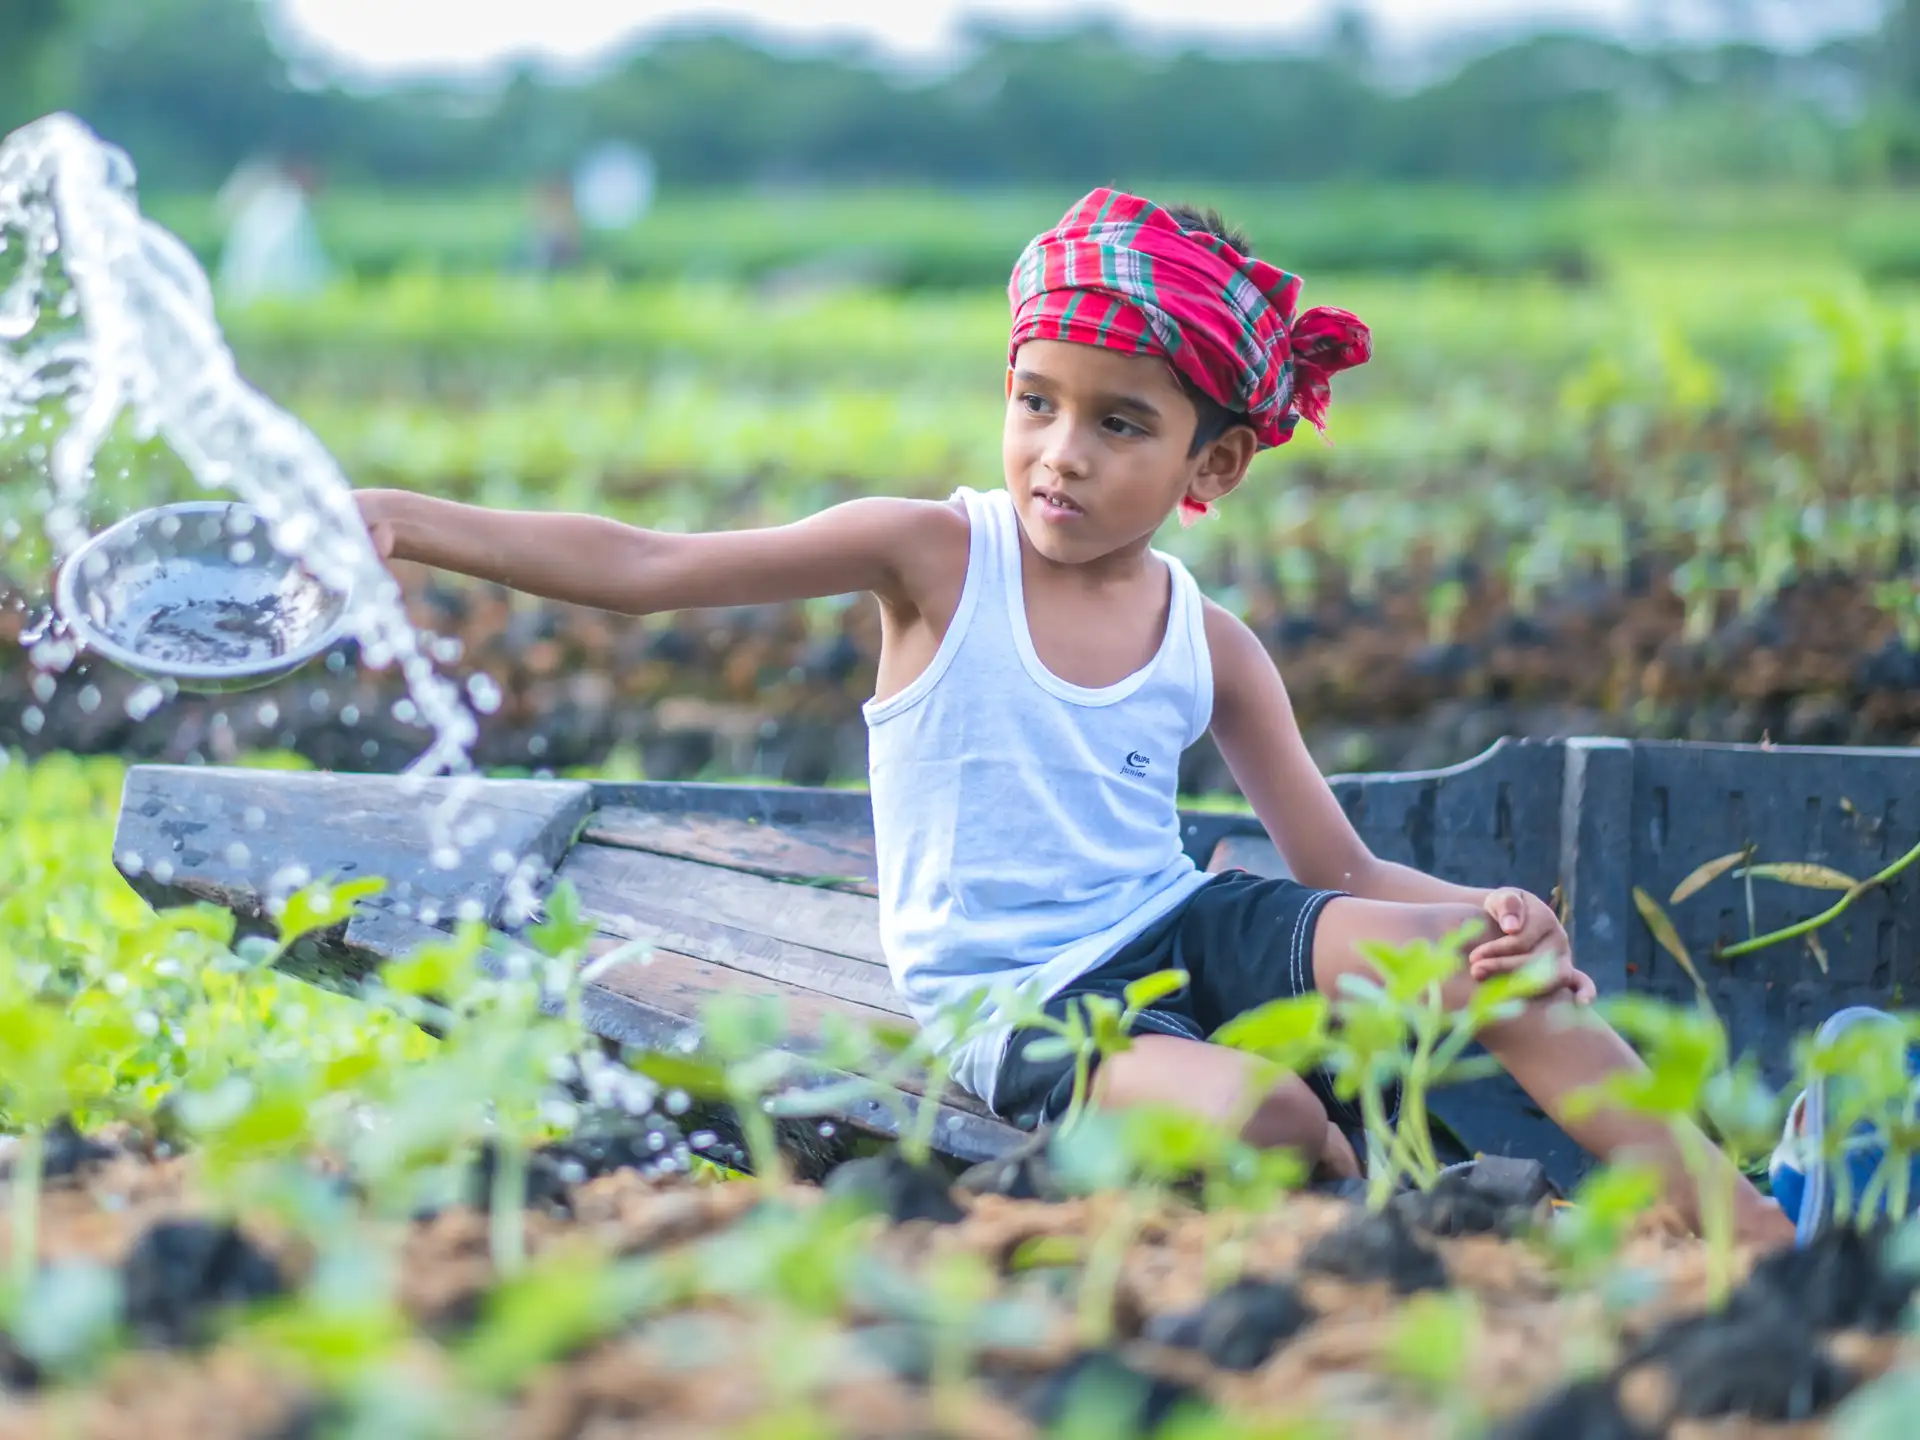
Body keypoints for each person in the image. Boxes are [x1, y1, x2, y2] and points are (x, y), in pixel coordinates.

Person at [353, 188, 1792, 1248]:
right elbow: (649, 567)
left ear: (1213, 463)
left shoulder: (1209, 643)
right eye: (1037, 402)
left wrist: (1490, 916)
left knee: (1499, 975)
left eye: (1120, 423)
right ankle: (1374, 1224)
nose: (1062, 453)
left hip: (1182, 923)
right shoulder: (935, 557)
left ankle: (1757, 1236)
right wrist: (407, 521)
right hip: (1021, 998)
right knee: (1273, 1118)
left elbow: (1340, 868)